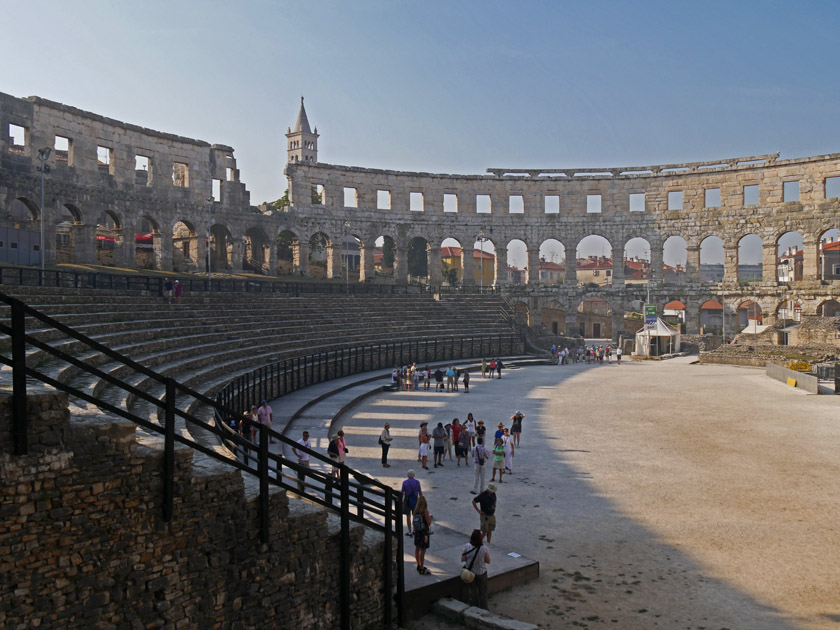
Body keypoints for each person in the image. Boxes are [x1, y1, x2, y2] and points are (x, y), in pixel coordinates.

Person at [461, 529, 491, 609]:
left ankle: (474, 608)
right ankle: (484, 609)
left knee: (473, 592)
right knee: (483, 592)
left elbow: (463, 559)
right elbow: (488, 561)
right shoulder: (484, 548)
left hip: (471, 573)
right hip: (481, 572)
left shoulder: (467, 546)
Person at [412, 495, 433, 575]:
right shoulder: (425, 511)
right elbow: (429, 523)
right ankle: (421, 567)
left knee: (417, 549)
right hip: (424, 533)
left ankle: (418, 564)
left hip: (417, 533)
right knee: (423, 551)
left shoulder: (415, 511)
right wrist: (430, 517)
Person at [401, 470, 422, 535]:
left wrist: (401, 500)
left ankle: (410, 531)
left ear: (408, 475)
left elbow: (402, 492)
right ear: (414, 475)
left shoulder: (405, 482)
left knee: (408, 516)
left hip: (407, 499)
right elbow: (420, 492)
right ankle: (415, 530)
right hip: (415, 499)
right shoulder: (417, 482)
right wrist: (421, 500)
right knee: (415, 515)